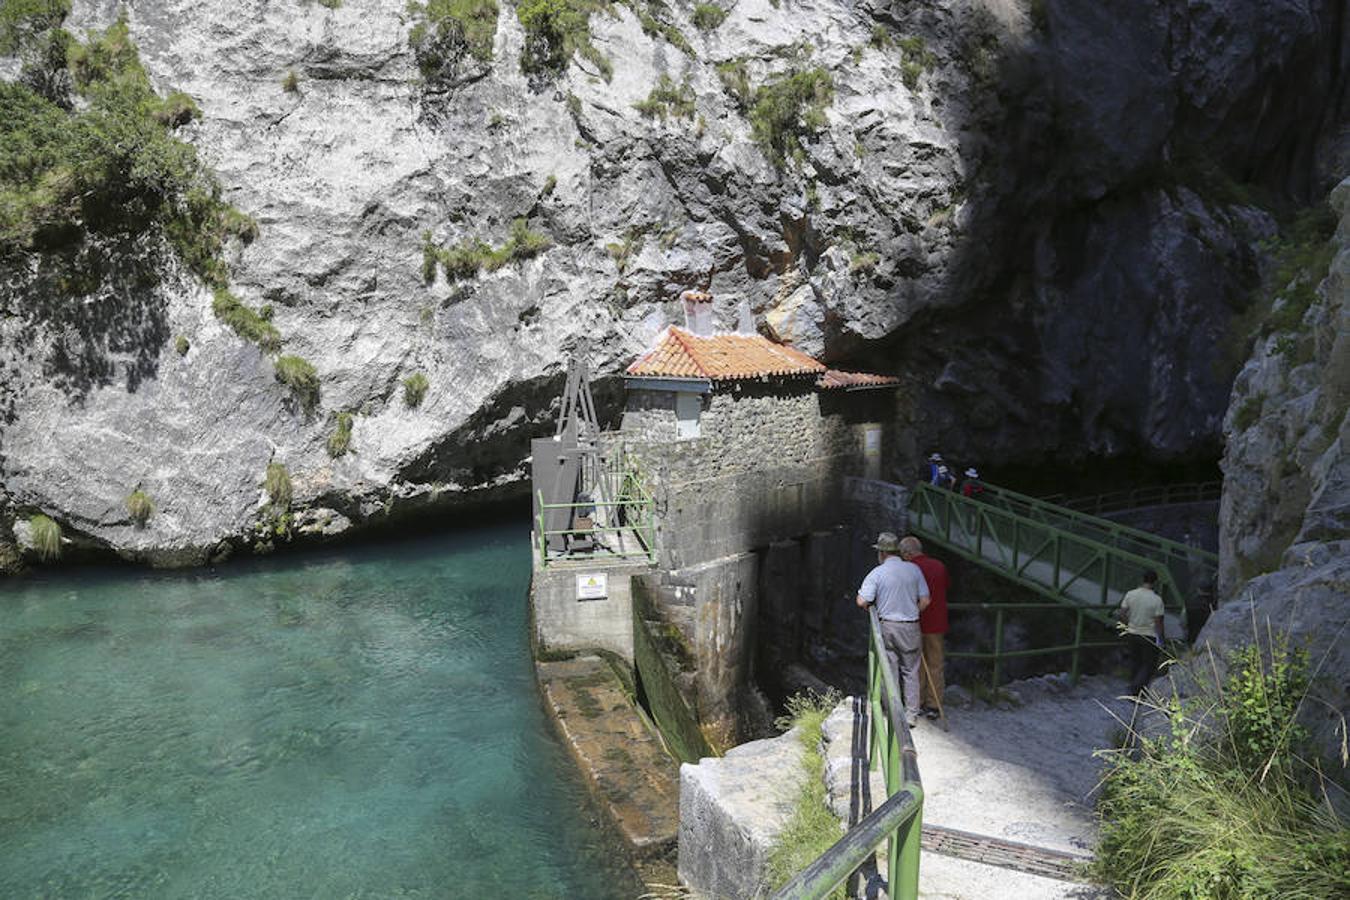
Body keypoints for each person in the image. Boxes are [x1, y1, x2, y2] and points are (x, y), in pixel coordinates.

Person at [856, 532, 930, 726]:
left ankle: (893, 713)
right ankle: (912, 714)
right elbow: (925, 600)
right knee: (911, 671)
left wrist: (873, 606)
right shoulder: (914, 570)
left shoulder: (877, 573)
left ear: (881, 553)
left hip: (887, 625)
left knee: (889, 670)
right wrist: (912, 611)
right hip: (911, 626)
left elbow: (862, 600)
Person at [900, 536, 948, 719]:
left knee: (915, 663)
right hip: (937, 622)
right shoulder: (939, 566)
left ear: (907, 553)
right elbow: (945, 587)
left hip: (916, 621)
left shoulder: (909, 569)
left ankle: (916, 702)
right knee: (936, 663)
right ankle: (934, 704)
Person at [1118, 570, 1166, 695]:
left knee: (1135, 661)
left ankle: (1134, 687)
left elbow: (1122, 613)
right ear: (1155, 582)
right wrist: (1161, 638)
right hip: (1149, 634)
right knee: (1148, 664)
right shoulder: (1157, 600)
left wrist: (1128, 624)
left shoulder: (1131, 594)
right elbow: (1158, 622)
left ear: (1142, 579)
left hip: (1132, 632)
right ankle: (1136, 689)